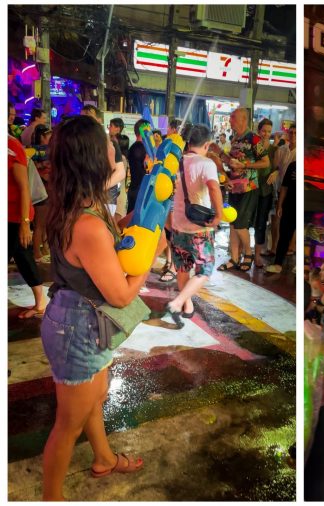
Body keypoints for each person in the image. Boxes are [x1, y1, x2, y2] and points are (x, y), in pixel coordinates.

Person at [41, 116, 166, 500]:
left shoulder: (83, 203)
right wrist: (150, 257)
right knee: (68, 425)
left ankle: (104, 459)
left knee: (95, 399)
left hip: (83, 321)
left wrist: (145, 218)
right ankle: (51, 497)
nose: (114, 146)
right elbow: (121, 295)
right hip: (77, 328)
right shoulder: (87, 225)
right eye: (106, 142)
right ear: (95, 156)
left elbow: (116, 233)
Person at [165, 124, 225, 325]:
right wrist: (219, 215)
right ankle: (177, 303)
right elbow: (214, 188)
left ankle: (187, 306)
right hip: (199, 228)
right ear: (206, 144)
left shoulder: (177, 162)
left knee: (182, 268)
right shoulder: (206, 163)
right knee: (205, 270)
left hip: (178, 225)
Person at [218, 107, 269, 273]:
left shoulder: (254, 138)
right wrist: (219, 153)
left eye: (233, 117)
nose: (230, 120)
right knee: (233, 222)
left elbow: (266, 162)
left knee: (240, 224)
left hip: (248, 187)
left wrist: (245, 165)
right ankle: (234, 258)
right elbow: (231, 161)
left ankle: (248, 253)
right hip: (234, 187)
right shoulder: (235, 139)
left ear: (244, 119)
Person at [9, 135, 46, 319]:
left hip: (14, 216)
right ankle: (40, 302)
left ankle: (41, 302)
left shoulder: (11, 146)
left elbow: (24, 187)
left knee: (23, 256)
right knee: (23, 257)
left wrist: (24, 223)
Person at [264, 160, 296, 275]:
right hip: (289, 204)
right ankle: (278, 264)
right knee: (284, 234)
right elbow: (284, 186)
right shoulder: (293, 165)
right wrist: (280, 205)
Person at [253, 118, 277, 266]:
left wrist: (276, 172)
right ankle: (244, 252)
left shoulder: (274, 149)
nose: (266, 134)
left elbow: (278, 167)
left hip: (266, 190)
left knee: (261, 223)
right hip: (251, 188)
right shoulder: (253, 146)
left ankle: (257, 254)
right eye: (264, 131)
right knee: (247, 220)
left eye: (269, 131)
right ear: (259, 131)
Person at [31, 124, 53, 262]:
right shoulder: (36, 152)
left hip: (44, 190)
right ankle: (37, 253)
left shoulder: (34, 151)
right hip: (41, 191)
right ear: (42, 136)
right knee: (40, 224)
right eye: (49, 135)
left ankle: (44, 249)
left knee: (45, 223)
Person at [126, 119, 151, 215]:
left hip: (136, 188)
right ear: (144, 131)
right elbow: (147, 167)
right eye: (149, 130)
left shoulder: (135, 147)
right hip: (139, 190)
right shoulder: (140, 148)